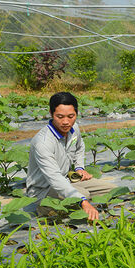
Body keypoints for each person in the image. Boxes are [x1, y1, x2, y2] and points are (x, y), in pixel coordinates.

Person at [26, 92, 116, 220]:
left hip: (67, 180)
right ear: (51, 114)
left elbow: (80, 147)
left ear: (77, 114)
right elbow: (55, 178)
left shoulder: (74, 129)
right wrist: (83, 201)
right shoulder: (43, 142)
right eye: (60, 117)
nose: (66, 122)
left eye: (71, 116)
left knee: (112, 190)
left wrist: (79, 167)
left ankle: (78, 200)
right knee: (83, 195)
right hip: (43, 190)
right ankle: (45, 207)